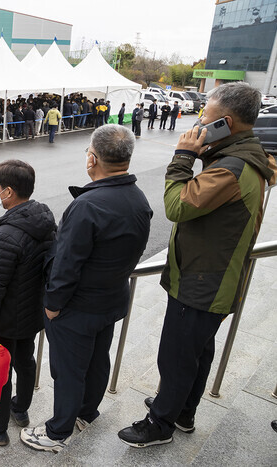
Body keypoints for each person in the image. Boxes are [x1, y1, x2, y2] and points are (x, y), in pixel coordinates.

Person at [118, 82, 276, 448]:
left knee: (176, 356)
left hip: (204, 280)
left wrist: (183, 156)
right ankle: (182, 411)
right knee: (198, 351)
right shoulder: (242, 155)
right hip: (212, 274)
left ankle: (159, 424)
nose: (199, 119)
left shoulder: (232, 168)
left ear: (226, 121)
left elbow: (178, 206)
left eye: (206, 114)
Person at [20, 125, 153, 453]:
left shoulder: (88, 205)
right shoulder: (138, 198)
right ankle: (86, 412)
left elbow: (67, 262)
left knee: (68, 370)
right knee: (97, 361)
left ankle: (57, 431)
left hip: (76, 306)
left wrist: (52, 303)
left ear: (92, 159)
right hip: (112, 298)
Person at [0, 160, 57, 446]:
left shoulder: (7, 234)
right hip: (30, 312)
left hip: (5, 318)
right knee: (24, 360)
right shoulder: (42, 219)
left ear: (8, 191)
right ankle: (20, 408)